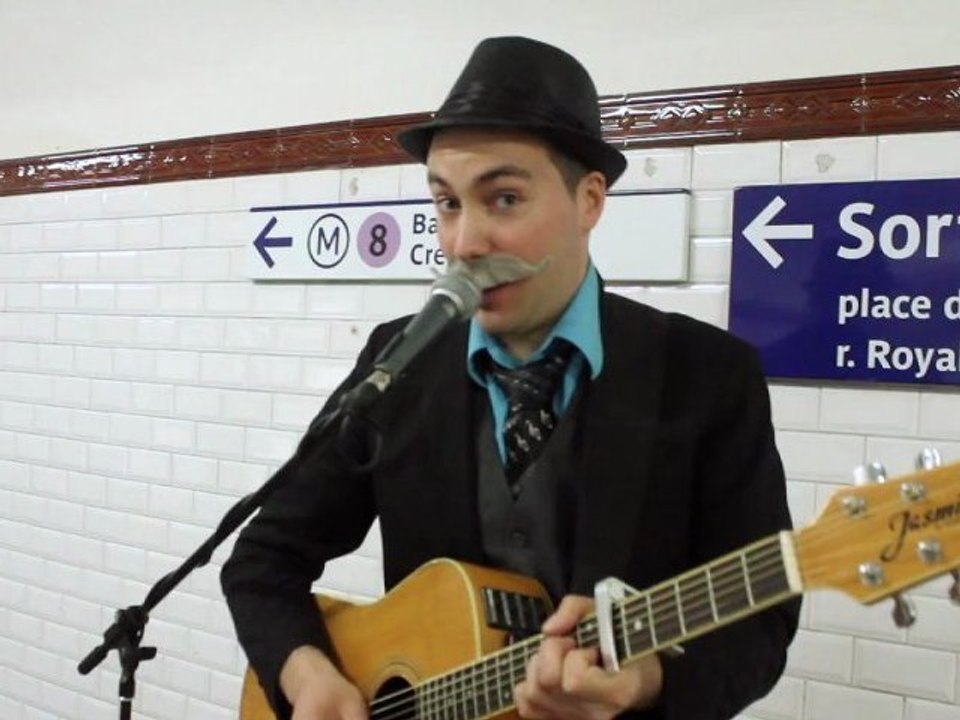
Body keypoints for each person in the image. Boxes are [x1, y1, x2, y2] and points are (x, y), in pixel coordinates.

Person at [221, 36, 800, 720]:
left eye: (502, 199)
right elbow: (263, 559)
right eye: (447, 204)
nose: (464, 244)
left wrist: (646, 683)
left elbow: (761, 627)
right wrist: (308, 675)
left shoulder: (706, 374)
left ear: (589, 201)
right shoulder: (399, 362)